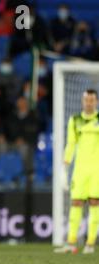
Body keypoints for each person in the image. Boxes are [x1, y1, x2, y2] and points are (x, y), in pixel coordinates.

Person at [54, 89, 99, 254]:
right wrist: (64, 168)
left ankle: (90, 244)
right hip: (80, 170)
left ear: (96, 102)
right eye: (86, 100)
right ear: (82, 101)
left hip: (97, 170)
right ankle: (71, 242)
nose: (89, 103)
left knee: (95, 203)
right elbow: (71, 144)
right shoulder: (75, 120)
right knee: (76, 203)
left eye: (92, 100)